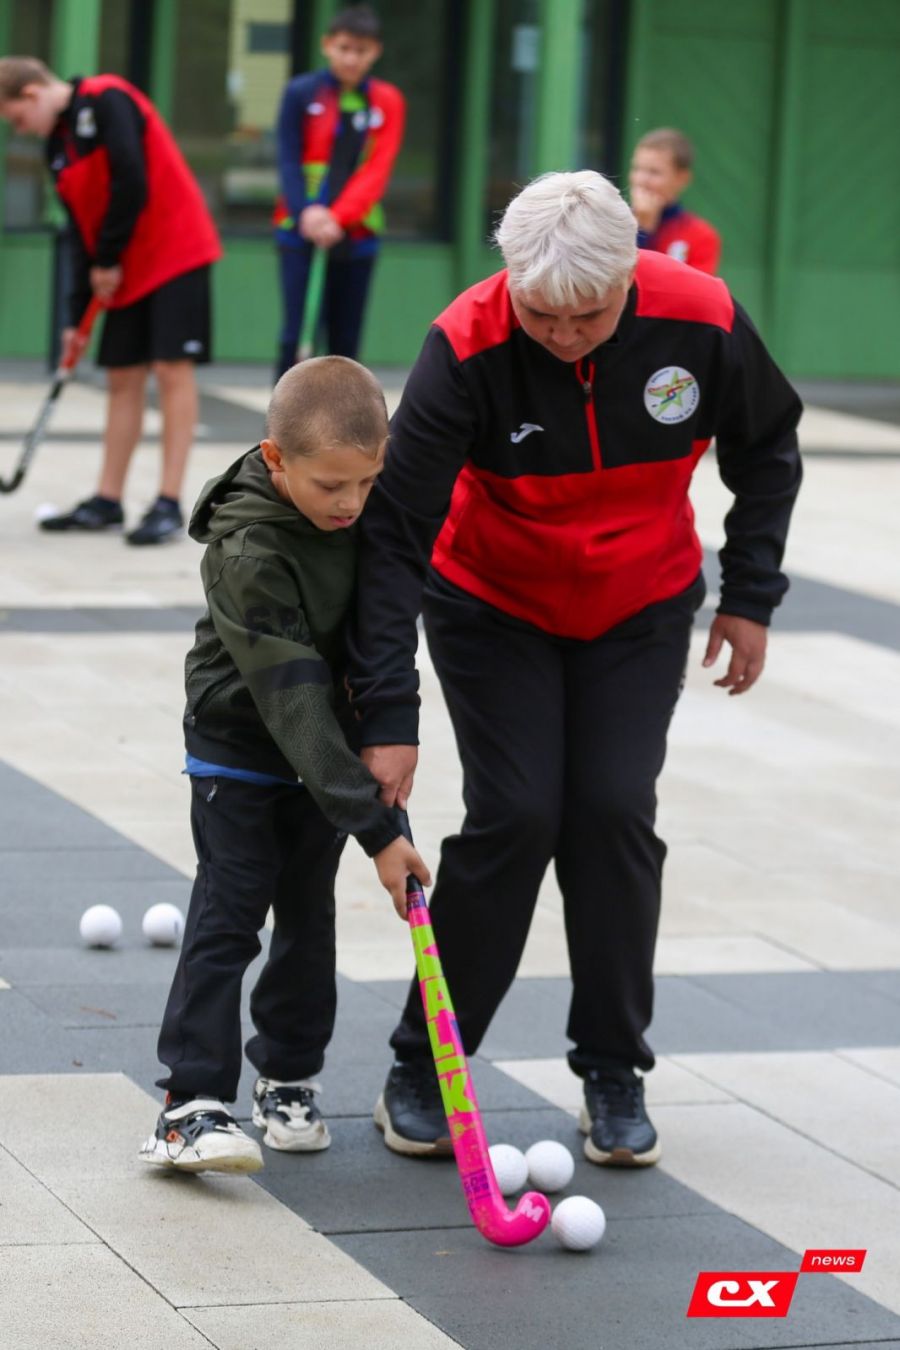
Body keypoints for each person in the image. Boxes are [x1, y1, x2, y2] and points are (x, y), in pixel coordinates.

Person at [348, 171, 802, 1167]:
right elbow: (394, 539)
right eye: (541, 314)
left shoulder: (702, 315)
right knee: (516, 815)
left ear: (630, 283)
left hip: (640, 604)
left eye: (587, 315)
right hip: (492, 603)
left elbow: (766, 447)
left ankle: (613, 1067)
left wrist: (750, 594)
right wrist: (386, 710)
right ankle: (429, 1063)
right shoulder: (465, 343)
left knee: (609, 811)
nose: (561, 334)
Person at [139, 357, 430, 1173]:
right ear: (275, 459)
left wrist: (380, 801)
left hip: (324, 746)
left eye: (367, 484)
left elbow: (377, 636)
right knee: (231, 909)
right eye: (330, 484)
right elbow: (293, 696)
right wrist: (376, 831)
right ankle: (188, 1104)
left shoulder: (361, 510)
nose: (350, 504)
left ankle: (288, 1075)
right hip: (240, 743)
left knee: (309, 910)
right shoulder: (248, 547)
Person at [0, 56, 221, 545]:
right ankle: (107, 499)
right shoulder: (57, 147)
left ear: (33, 94)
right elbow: (79, 231)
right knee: (122, 376)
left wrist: (107, 257)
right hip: (122, 265)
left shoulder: (107, 98)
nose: (24, 130)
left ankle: (167, 502)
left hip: (175, 252)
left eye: (18, 119)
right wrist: (74, 317)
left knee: (170, 369)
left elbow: (131, 179)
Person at [272, 4, 405, 380]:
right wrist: (308, 214)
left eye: (360, 51)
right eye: (344, 48)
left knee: (346, 341)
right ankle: (284, 426)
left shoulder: (387, 100)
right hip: (299, 232)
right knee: (295, 333)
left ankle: (343, 431)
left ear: (375, 52)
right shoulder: (300, 93)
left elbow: (377, 168)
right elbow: (287, 159)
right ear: (326, 45)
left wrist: (338, 217)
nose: (351, 58)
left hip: (357, 234)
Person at [629, 127, 721, 275]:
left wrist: (644, 232)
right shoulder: (614, 222)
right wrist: (641, 230)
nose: (641, 180)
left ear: (682, 178)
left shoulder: (700, 236)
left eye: (654, 172)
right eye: (637, 169)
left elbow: (694, 293)